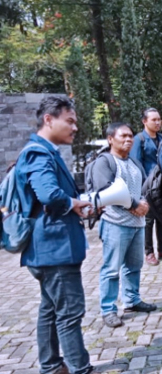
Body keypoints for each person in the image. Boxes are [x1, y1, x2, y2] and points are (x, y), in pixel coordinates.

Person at [15, 96, 99, 374]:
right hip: (54, 250)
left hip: (49, 249)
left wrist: (72, 205)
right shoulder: (38, 152)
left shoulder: (44, 150)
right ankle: (80, 368)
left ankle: (51, 366)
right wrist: (73, 204)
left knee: (50, 310)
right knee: (69, 313)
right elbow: (49, 195)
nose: (75, 128)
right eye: (70, 121)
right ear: (49, 119)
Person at [93, 122, 157, 328]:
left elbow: (144, 186)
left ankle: (132, 300)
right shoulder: (105, 162)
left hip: (137, 224)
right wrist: (135, 205)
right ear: (111, 139)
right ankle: (108, 309)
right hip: (115, 224)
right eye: (123, 136)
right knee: (111, 270)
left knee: (134, 266)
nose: (128, 139)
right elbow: (105, 192)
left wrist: (145, 203)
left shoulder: (134, 163)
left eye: (131, 136)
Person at [130, 107, 162, 266]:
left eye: (159, 119)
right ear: (145, 121)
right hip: (147, 187)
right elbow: (136, 164)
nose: (158, 122)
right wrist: (144, 185)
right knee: (149, 220)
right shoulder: (139, 140)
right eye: (154, 120)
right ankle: (149, 251)